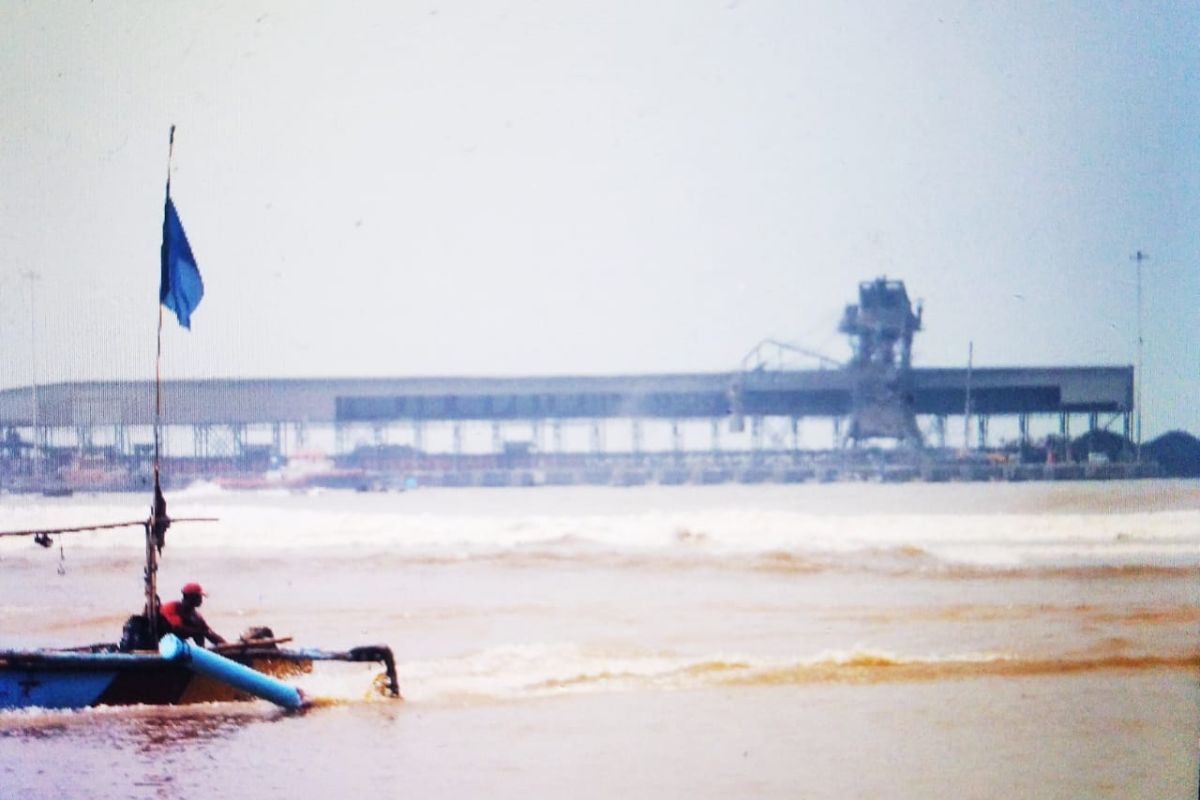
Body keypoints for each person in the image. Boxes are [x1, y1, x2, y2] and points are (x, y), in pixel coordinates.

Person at [160, 582, 227, 647]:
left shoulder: (196, 616)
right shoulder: (171, 607)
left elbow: (209, 633)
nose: (201, 600)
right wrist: (201, 632)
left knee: (200, 630)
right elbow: (177, 628)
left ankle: (202, 651)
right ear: (188, 597)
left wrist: (226, 645)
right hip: (162, 638)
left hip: (178, 642)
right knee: (199, 631)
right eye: (198, 596)